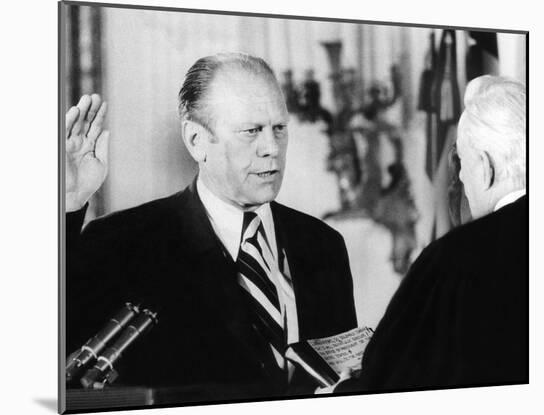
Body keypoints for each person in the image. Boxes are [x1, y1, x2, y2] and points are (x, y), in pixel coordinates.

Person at [65, 53, 357, 400]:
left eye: (279, 128)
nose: (271, 149)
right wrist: (68, 204)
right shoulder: (124, 242)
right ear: (196, 141)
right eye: (251, 131)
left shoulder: (323, 244)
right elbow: (51, 361)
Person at [336, 75, 527, 393]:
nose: (462, 178)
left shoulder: (453, 259)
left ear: (486, 166)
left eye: (462, 164)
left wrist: (340, 392)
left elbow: (389, 387)